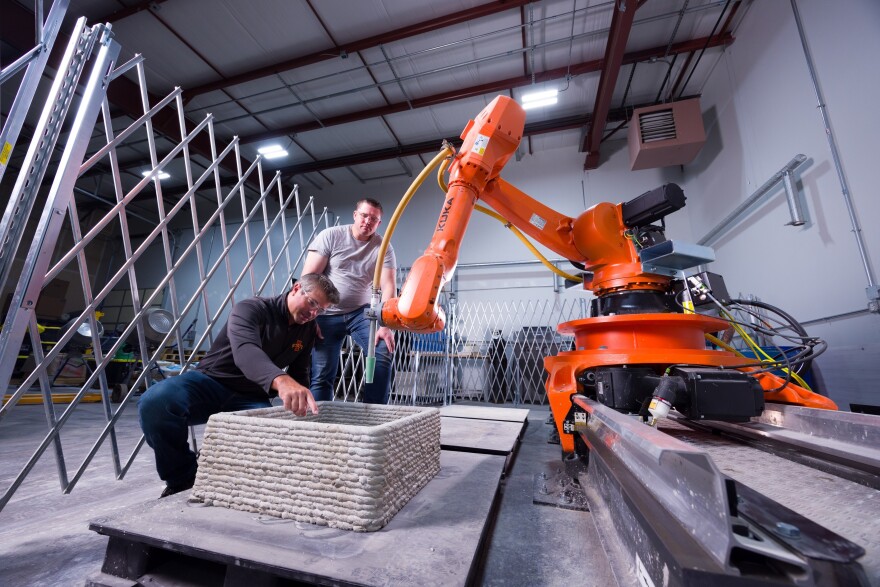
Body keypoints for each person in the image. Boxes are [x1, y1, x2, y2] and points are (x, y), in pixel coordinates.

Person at [137, 273, 340, 497]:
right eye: (312, 303)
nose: (313, 314)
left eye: (320, 310)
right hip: (210, 382)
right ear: (296, 288)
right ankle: (182, 478)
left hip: (252, 397)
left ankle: (217, 467)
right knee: (157, 401)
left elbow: (300, 372)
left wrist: (301, 411)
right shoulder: (251, 309)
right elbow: (245, 352)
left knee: (275, 443)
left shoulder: (308, 329)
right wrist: (281, 381)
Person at [302, 198, 397, 404]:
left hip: (361, 312)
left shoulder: (383, 247)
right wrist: (311, 317)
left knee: (382, 351)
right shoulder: (331, 236)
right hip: (326, 314)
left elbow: (389, 285)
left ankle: (373, 416)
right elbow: (309, 277)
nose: (367, 221)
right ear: (355, 215)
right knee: (322, 374)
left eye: (374, 219)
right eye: (364, 215)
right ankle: (321, 423)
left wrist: (385, 324)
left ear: (379, 223)